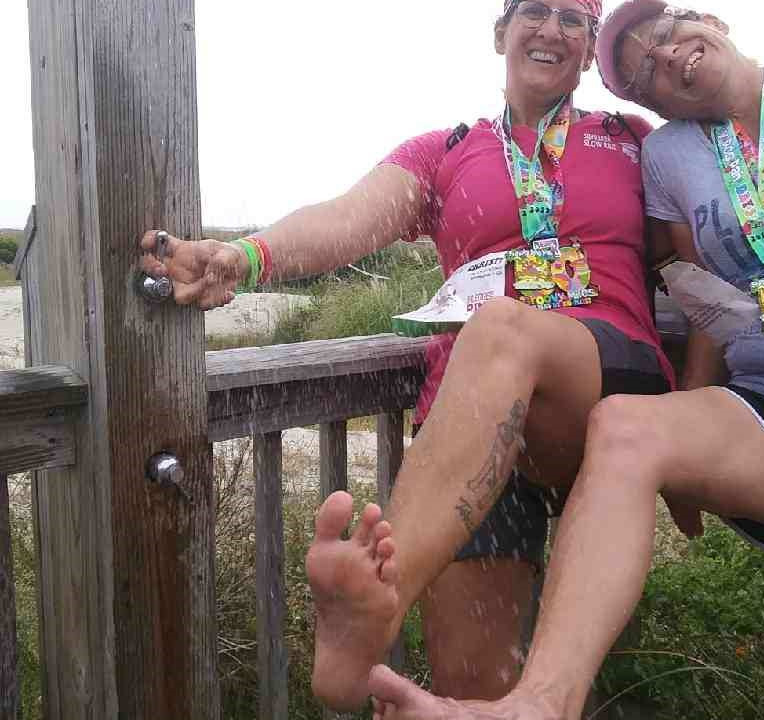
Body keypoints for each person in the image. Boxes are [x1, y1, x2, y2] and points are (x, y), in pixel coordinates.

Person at [355, 1, 764, 719]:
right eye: (645, 73)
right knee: (627, 426)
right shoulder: (671, 156)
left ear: (712, 21)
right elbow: (703, 296)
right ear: (654, 106)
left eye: (668, 34)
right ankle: (542, 703)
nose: (666, 57)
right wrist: (688, 413)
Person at [139, 0, 680, 710]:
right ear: (501, 34)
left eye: (574, 19)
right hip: (479, 421)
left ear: (589, 51)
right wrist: (243, 257)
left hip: (605, 382)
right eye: (534, 10)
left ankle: (380, 610)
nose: (552, 29)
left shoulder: (632, 140)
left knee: (503, 329)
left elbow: (710, 246)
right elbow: (347, 219)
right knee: (473, 689)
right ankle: (387, 622)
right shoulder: (446, 150)